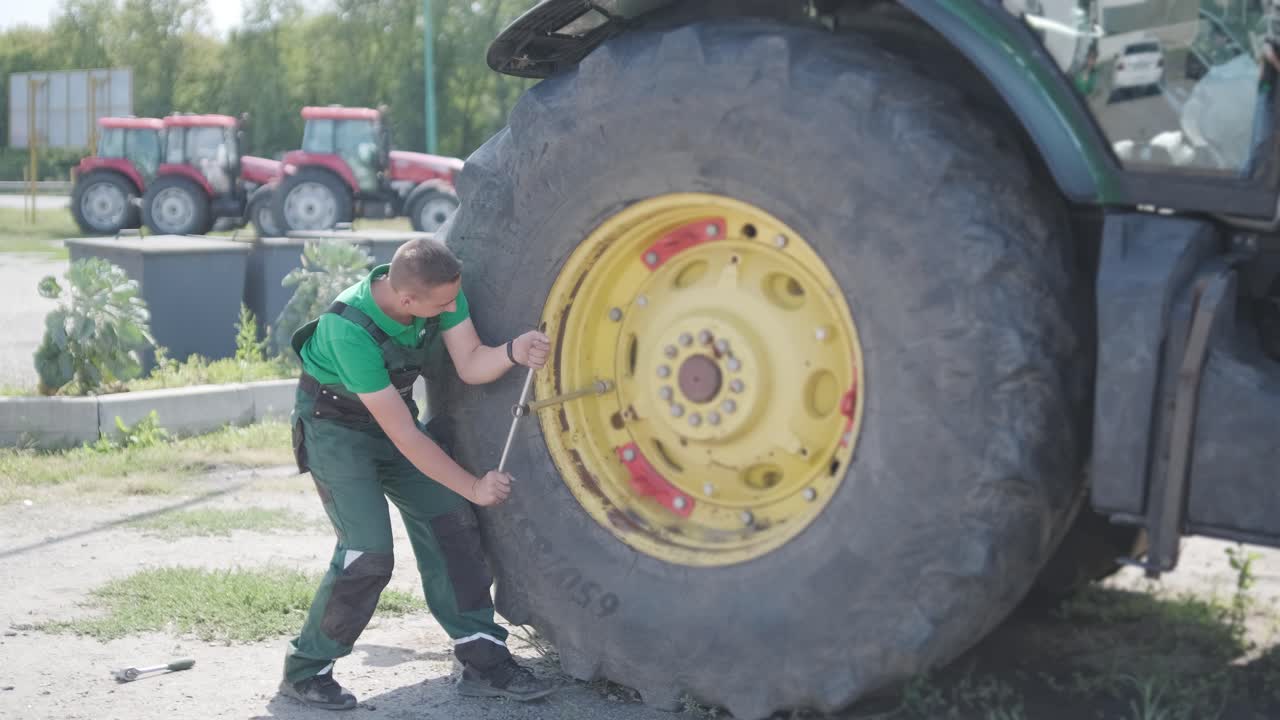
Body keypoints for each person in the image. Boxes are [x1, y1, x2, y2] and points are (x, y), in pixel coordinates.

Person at [279, 236, 557, 710]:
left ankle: (481, 655)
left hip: (391, 418)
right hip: (336, 430)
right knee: (367, 552)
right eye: (445, 304)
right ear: (407, 301)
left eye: (455, 298)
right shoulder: (349, 329)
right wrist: (472, 484)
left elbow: (470, 364)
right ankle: (308, 670)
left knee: (451, 519)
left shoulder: (438, 288)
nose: (453, 307)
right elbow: (406, 436)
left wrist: (514, 350)